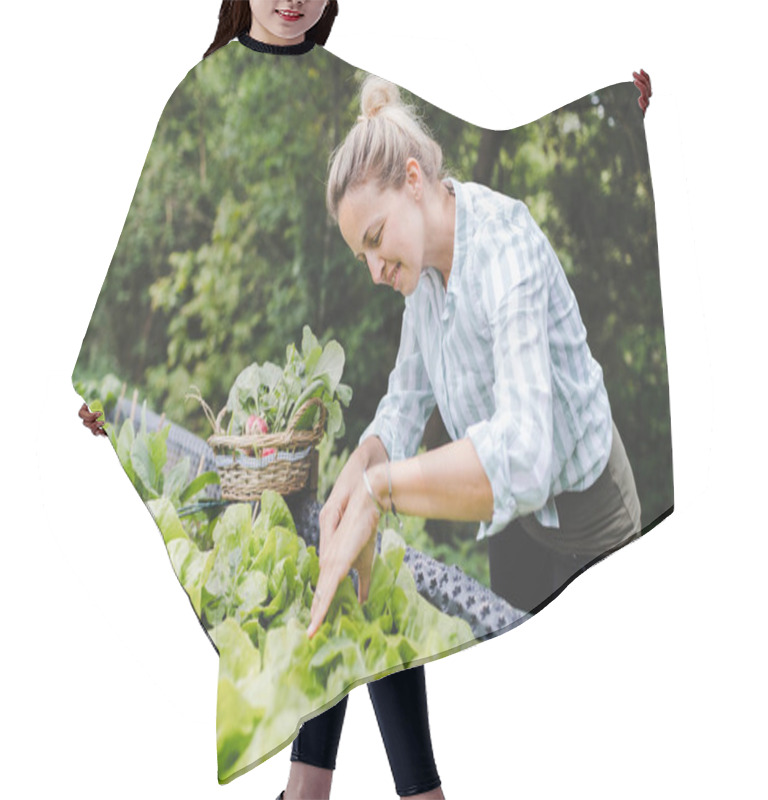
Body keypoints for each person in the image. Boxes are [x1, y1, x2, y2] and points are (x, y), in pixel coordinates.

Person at [79, 3, 445, 799]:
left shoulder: (354, 91)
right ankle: (369, 792)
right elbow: (145, 256)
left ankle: (330, 792)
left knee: (361, 579)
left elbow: (440, 179)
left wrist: (619, 115)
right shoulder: (203, 85)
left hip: (353, 408)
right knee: (327, 584)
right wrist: (108, 389)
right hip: (255, 427)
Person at [307, 76, 642, 642]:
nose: (374, 270)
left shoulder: (505, 250)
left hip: (591, 521)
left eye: (376, 237)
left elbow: (527, 459)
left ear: (414, 179)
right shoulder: (420, 279)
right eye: (362, 253)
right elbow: (405, 400)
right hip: (514, 520)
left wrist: (381, 492)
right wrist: (360, 468)